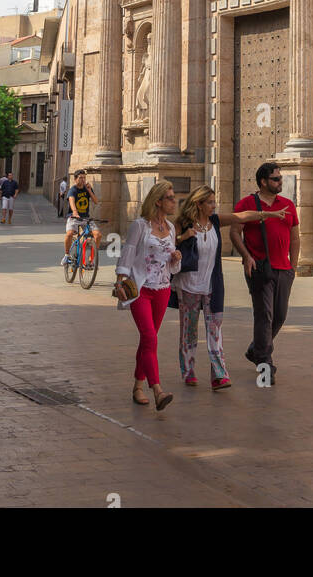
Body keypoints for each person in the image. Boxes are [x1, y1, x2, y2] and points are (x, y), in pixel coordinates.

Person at [171, 185, 289, 391]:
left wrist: (267, 214)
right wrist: (183, 237)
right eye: (209, 202)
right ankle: (188, 371)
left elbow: (241, 216)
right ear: (198, 204)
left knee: (215, 331)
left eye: (214, 202)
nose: (213, 205)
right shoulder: (183, 223)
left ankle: (219, 374)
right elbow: (169, 245)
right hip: (188, 285)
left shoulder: (215, 221)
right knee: (189, 332)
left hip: (212, 285)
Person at [113, 180, 181, 411]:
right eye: (171, 198)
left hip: (162, 289)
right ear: (158, 201)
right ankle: (157, 390)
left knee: (147, 341)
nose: (175, 201)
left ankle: (137, 386)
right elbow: (128, 253)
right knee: (151, 338)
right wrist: (121, 278)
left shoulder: (171, 228)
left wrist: (175, 259)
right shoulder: (140, 226)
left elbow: (169, 262)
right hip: (140, 288)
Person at [230, 162, 299, 385]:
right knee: (264, 315)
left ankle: (255, 349)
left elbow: (295, 237)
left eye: (281, 178)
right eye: (276, 179)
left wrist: (293, 267)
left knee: (279, 315)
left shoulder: (288, 205)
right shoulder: (248, 204)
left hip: (283, 269)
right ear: (263, 182)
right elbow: (234, 232)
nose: (281, 182)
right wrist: (246, 256)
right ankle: (265, 363)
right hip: (259, 268)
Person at [61, 171, 102, 265]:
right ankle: (66, 255)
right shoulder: (73, 190)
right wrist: (75, 212)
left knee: (98, 235)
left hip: (85, 218)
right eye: (80, 178)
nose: (83, 180)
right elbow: (71, 200)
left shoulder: (87, 188)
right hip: (74, 218)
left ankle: (91, 259)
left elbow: (96, 201)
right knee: (70, 234)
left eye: (84, 177)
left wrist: (90, 190)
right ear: (75, 179)